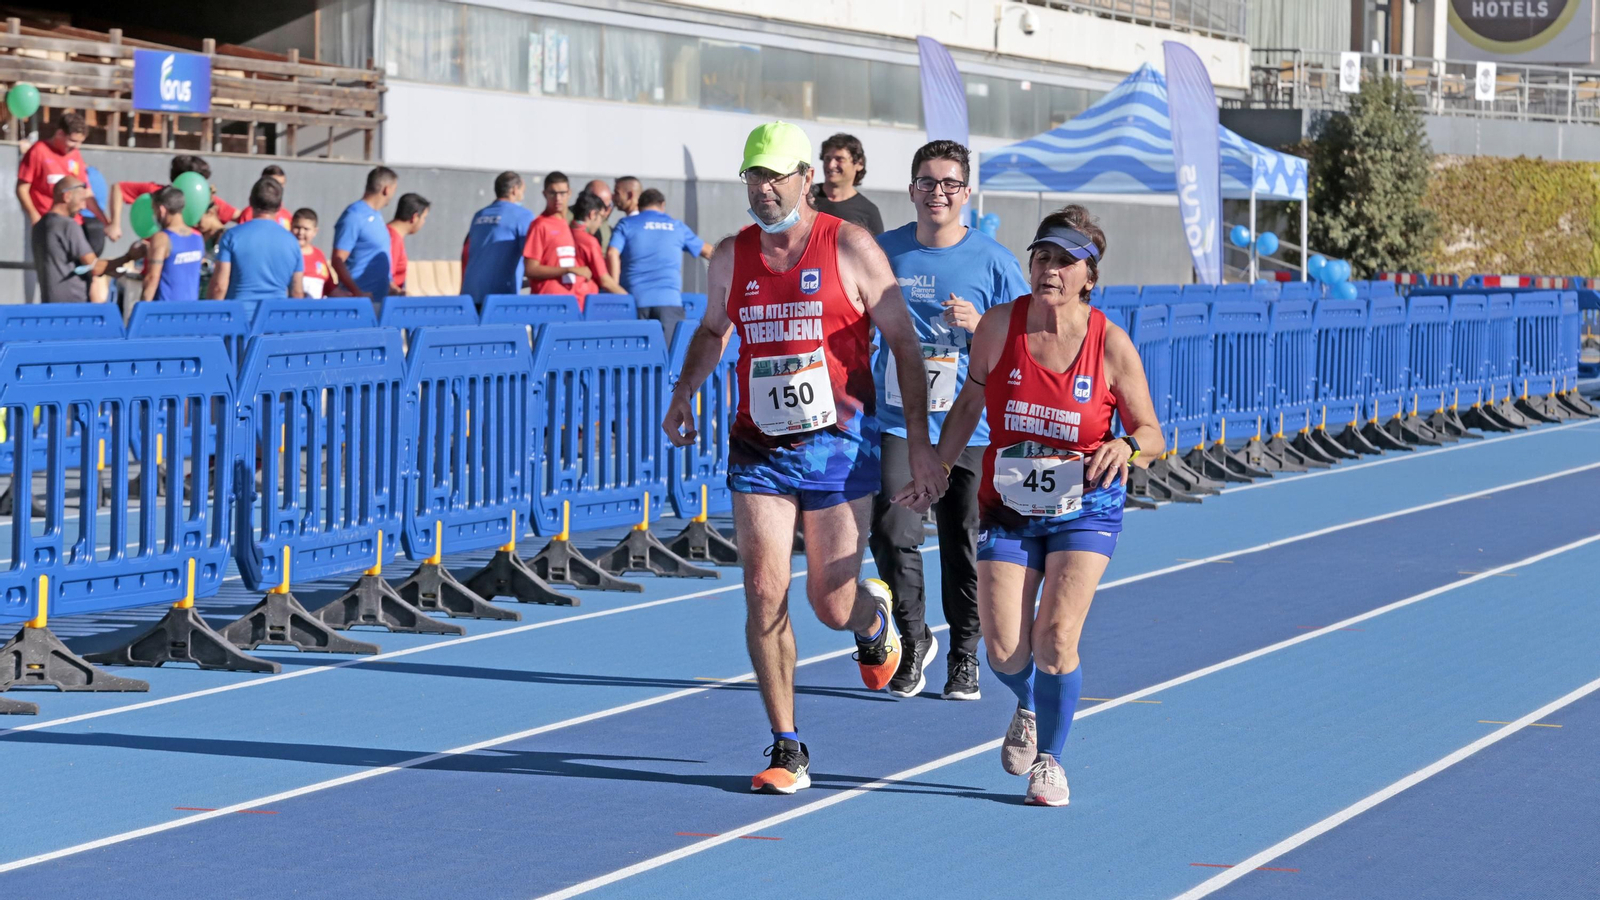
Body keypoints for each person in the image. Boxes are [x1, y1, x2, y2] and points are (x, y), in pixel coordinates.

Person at [662, 121, 948, 795]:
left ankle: (872, 619)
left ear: (804, 179)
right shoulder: (732, 256)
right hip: (758, 447)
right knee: (763, 591)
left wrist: (923, 444)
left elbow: (904, 346)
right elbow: (711, 330)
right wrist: (682, 393)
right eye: (753, 177)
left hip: (839, 450)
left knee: (828, 600)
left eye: (775, 176)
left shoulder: (850, 246)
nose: (763, 189)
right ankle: (787, 744)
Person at [892, 205, 1164, 807]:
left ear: (1088, 275)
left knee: (1058, 637)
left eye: (1065, 262)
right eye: (1042, 257)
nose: (1050, 270)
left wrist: (1124, 443)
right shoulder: (997, 327)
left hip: (1084, 507)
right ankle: (1029, 702)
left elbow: (1152, 434)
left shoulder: (1110, 345)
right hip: (1009, 505)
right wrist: (937, 465)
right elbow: (968, 404)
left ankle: (1052, 763)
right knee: (1003, 649)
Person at [870, 140, 1030, 701]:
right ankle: (914, 640)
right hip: (900, 420)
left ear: (966, 192)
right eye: (927, 182)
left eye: (950, 184)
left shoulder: (993, 260)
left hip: (971, 427)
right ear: (911, 188)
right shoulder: (881, 251)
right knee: (892, 531)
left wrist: (981, 322)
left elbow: (1027, 337)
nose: (938, 193)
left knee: (964, 542)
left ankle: (965, 654)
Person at [608, 188, 713, 346]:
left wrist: (615, 287)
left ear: (639, 205)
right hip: (669, 302)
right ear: (662, 205)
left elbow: (612, 253)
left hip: (634, 301)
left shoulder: (627, 224)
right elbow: (709, 252)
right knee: (669, 359)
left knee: (636, 360)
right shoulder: (677, 226)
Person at [31, 176, 127, 303]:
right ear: (67, 196)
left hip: (49, 305)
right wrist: (129, 257)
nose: (83, 207)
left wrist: (108, 269)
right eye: (82, 200)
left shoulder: (40, 226)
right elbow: (95, 267)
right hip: (74, 308)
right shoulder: (68, 225)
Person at [17, 114, 115, 236]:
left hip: (72, 224)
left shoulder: (75, 154)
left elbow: (86, 193)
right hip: (47, 224)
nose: (77, 146)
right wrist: (34, 216)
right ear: (60, 133)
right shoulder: (38, 151)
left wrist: (106, 222)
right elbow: (22, 189)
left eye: (80, 142)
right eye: (73, 141)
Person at [210, 177, 305, 300]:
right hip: (274, 316)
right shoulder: (292, 242)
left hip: (238, 315)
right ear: (280, 206)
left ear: (250, 202)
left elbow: (219, 287)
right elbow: (297, 292)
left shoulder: (231, 236)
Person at [461, 171, 535, 304]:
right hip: (500, 297)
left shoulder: (479, 215)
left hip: (470, 292)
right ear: (514, 190)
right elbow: (532, 257)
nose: (522, 196)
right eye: (522, 192)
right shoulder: (523, 216)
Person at [331, 166, 398, 300]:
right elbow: (337, 260)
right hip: (360, 305)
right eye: (394, 190)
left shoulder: (377, 215)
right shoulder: (354, 216)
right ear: (387, 189)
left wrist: (393, 287)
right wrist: (357, 293)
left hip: (378, 301)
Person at [114, 155, 237, 225]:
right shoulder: (158, 193)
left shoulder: (208, 202)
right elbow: (119, 188)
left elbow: (240, 216)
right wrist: (115, 224)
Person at [138, 186, 205, 302]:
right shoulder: (198, 238)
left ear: (162, 210)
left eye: (154, 210)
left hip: (165, 313)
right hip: (190, 311)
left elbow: (152, 279)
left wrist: (140, 313)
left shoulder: (161, 238)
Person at [523, 171, 586, 295]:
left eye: (562, 193)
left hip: (570, 300)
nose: (558, 198)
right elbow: (530, 269)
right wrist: (567, 270)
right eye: (553, 193)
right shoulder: (540, 225)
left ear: (569, 193)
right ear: (545, 194)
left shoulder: (570, 224)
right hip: (547, 302)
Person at [811, 133, 883, 235]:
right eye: (827, 158)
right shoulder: (806, 196)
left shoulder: (868, 212)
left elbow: (877, 250)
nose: (831, 165)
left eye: (839, 159)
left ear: (859, 164)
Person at [569, 190, 625, 310]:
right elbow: (604, 280)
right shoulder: (589, 241)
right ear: (592, 214)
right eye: (602, 218)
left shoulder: (564, 234)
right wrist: (627, 298)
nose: (600, 224)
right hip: (583, 302)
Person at [388, 192, 430, 296]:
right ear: (415, 217)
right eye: (424, 218)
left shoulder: (392, 235)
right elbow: (386, 281)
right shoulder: (392, 239)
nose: (424, 222)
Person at [292, 208, 334, 298]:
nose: (301, 232)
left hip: (316, 310)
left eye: (306, 229)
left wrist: (354, 296)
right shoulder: (286, 253)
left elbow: (331, 289)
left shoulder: (319, 255)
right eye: (297, 227)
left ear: (315, 231)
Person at [583, 179, 616, 249]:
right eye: (604, 208)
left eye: (610, 205)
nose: (607, 212)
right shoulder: (568, 220)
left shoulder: (607, 230)